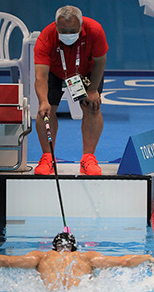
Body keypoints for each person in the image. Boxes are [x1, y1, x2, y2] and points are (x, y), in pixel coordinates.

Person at [34, 5, 108, 175]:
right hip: (55, 71)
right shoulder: (46, 37)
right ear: (56, 25)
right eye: (63, 31)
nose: (68, 34)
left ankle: (88, 159)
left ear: (81, 25)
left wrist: (93, 90)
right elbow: (40, 76)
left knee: (93, 107)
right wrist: (43, 101)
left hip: (85, 71)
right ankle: (47, 157)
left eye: (72, 30)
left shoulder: (95, 30)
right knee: (45, 111)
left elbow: (100, 61)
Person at [0, 231, 154, 291]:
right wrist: (148, 258)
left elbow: (6, 262)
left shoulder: (41, 257)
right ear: (75, 247)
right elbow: (123, 262)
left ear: (52, 247)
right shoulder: (86, 257)